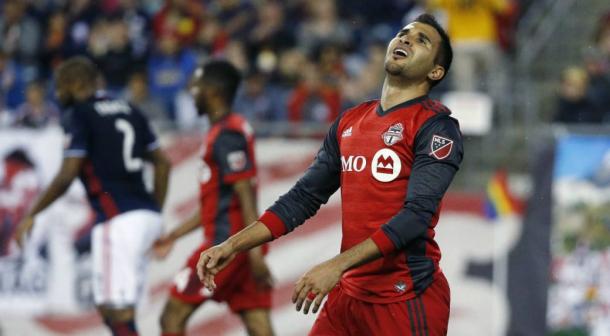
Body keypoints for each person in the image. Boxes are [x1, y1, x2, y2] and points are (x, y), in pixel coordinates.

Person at [197, 13, 463, 335]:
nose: (406, 38)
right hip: (348, 297)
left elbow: (415, 217)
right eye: (404, 33)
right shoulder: (350, 121)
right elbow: (302, 198)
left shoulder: (436, 128)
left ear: (436, 71)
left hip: (406, 298)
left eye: (422, 40)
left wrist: (336, 265)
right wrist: (233, 245)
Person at [14, 56, 171, 336]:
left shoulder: (80, 115)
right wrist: (156, 213)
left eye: (61, 86)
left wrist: (32, 213)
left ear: (74, 84)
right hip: (143, 215)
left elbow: (67, 175)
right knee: (109, 305)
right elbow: (163, 163)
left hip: (118, 220)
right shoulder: (130, 109)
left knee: (117, 309)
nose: (58, 93)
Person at [152, 60, 274, 336]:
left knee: (171, 317)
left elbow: (245, 195)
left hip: (224, 248)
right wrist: (173, 235)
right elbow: (213, 205)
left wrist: (253, 253)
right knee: (258, 325)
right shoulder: (230, 129)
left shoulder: (227, 134)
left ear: (213, 91)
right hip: (240, 246)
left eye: (197, 87)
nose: (192, 92)